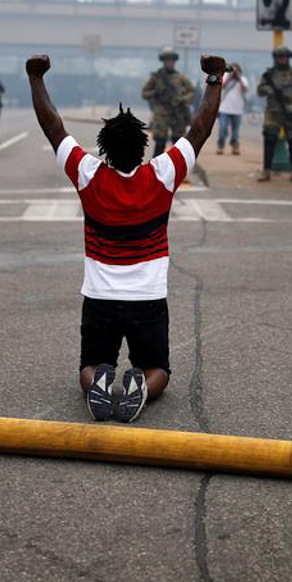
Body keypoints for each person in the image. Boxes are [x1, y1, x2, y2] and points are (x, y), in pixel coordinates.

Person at [26, 52, 225, 423]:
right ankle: (143, 388)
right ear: (143, 148)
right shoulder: (162, 174)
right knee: (159, 370)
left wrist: (36, 78)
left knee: (89, 365)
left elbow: (53, 128)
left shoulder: (88, 174)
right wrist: (215, 77)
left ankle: (97, 383)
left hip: (100, 297)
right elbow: (200, 129)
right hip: (147, 298)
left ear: (104, 149)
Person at [256, 46, 292, 184]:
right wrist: (268, 89)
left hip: (290, 112)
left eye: (284, 57)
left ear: (288, 59)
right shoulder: (269, 75)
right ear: (275, 59)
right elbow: (259, 90)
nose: (282, 59)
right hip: (273, 113)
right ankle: (266, 171)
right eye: (279, 57)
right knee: (269, 141)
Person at [142, 47, 195, 157]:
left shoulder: (180, 77)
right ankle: (155, 169)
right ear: (164, 61)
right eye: (167, 60)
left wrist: (183, 99)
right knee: (160, 141)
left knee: (177, 142)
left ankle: (176, 168)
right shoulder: (156, 77)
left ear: (174, 62)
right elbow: (144, 93)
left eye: (171, 60)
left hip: (177, 112)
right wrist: (156, 92)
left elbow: (191, 91)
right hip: (161, 113)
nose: (169, 63)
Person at [216, 62, 249, 155]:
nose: (234, 72)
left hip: (237, 110)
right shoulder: (226, 77)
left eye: (236, 70)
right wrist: (230, 77)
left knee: (236, 132)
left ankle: (235, 146)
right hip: (224, 109)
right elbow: (222, 86)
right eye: (233, 70)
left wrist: (239, 78)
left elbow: (245, 90)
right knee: (222, 129)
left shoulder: (243, 79)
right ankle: (220, 146)